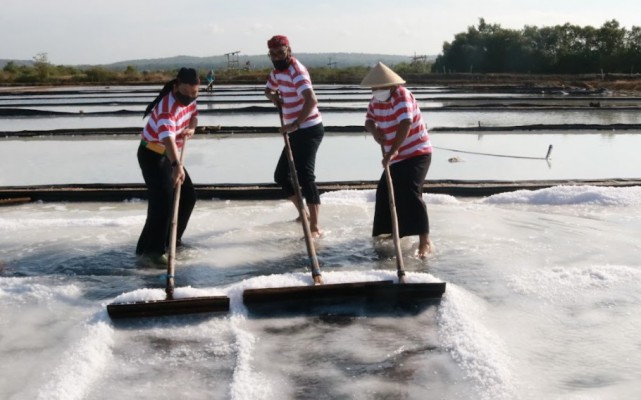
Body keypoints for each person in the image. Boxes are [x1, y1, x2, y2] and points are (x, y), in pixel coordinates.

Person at [361, 62, 434, 258]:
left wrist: (393, 150)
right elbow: (368, 120)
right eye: (374, 88)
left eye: (380, 87)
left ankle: (425, 240)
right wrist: (376, 132)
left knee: (409, 191)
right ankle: (390, 233)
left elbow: (405, 122)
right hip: (394, 156)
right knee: (385, 193)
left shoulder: (401, 95)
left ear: (391, 85)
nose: (376, 91)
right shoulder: (376, 100)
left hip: (416, 152)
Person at [136, 67, 200, 265]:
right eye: (187, 93)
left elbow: (194, 116)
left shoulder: (190, 98)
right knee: (162, 203)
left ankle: (172, 240)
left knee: (188, 197)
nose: (191, 97)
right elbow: (168, 139)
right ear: (176, 86)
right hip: (154, 155)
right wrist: (176, 165)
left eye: (194, 93)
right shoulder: (166, 108)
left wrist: (191, 128)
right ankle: (152, 251)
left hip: (170, 156)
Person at [264, 35, 324, 237]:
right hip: (295, 130)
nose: (277, 57)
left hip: (309, 129)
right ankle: (303, 213)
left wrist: (295, 124)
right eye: (273, 54)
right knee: (281, 175)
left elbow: (311, 100)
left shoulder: (296, 71)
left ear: (288, 50)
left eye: (280, 53)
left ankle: (315, 226)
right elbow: (268, 89)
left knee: (306, 176)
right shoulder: (277, 72)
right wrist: (275, 98)